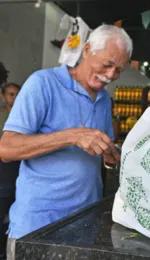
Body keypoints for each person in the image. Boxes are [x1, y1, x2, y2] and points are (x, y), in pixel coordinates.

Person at [0, 24, 132, 258]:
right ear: (87, 49)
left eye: (119, 70)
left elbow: (96, 152)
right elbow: (6, 148)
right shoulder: (43, 84)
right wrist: (72, 135)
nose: (111, 75)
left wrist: (110, 157)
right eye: (107, 64)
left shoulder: (104, 99)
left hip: (84, 226)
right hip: (37, 228)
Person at [0, 83, 20, 260]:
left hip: (18, 178)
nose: (14, 99)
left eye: (17, 95)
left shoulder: (24, 117)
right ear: (2, 96)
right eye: (10, 94)